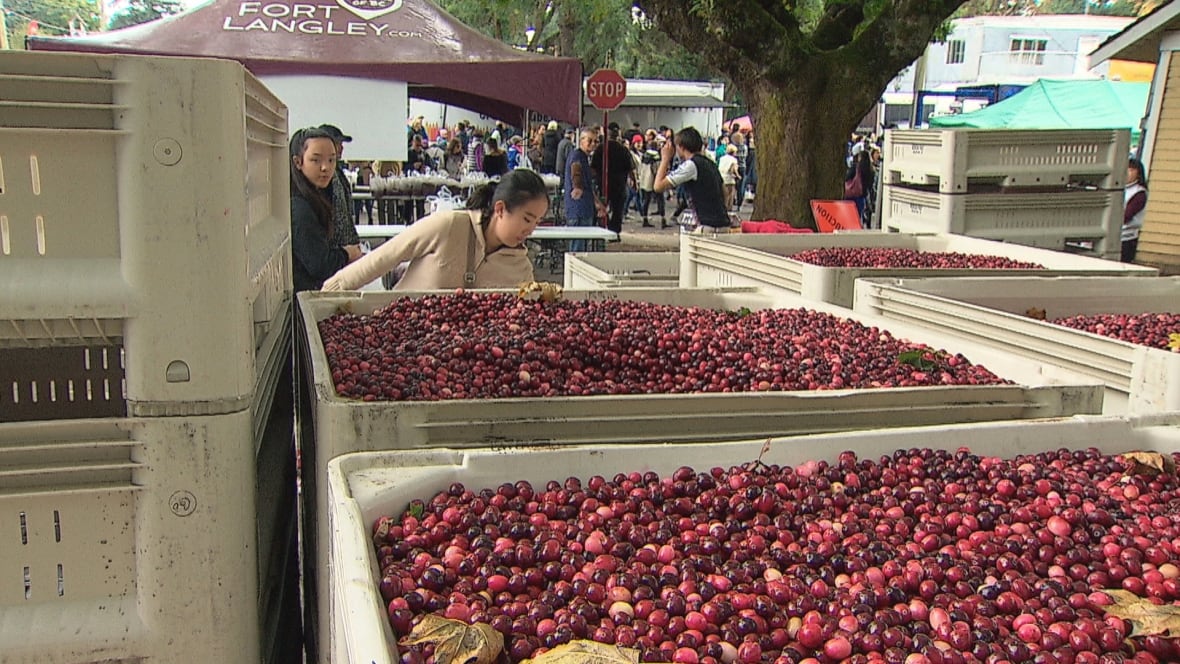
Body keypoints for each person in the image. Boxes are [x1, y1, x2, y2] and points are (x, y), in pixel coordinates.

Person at [322, 169, 545, 291]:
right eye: (527, 218)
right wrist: (330, 292)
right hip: (402, 334)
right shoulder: (449, 226)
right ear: (500, 209)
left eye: (537, 222)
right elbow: (386, 256)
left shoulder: (521, 268)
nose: (531, 229)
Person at [290, 127, 363, 292]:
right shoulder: (299, 207)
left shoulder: (317, 195)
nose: (325, 168)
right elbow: (319, 264)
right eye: (316, 160)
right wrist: (347, 254)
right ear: (297, 162)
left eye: (331, 160)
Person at [654, 126, 729, 230]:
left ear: (682, 147)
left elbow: (658, 186)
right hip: (721, 221)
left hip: (707, 224)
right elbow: (724, 191)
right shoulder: (710, 163)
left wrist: (665, 159)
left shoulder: (691, 165)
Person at [564, 127, 607, 250]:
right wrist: (577, 187)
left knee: (580, 245)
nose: (593, 144)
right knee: (578, 248)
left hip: (584, 208)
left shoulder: (583, 157)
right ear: (581, 140)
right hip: (578, 210)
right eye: (590, 140)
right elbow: (575, 170)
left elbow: (588, 185)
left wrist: (597, 203)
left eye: (596, 141)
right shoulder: (577, 156)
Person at [318, 124, 360, 248]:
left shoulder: (337, 171)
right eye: (337, 143)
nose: (341, 148)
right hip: (335, 248)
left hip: (344, 247)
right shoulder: (323, 175)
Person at [591, 124, 635, 235]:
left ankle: (603, 228)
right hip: (619, 184)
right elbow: (630, 168)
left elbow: (593, 168)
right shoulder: (623, 149)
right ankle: (614, 231)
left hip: (603, 183)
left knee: (602, 208)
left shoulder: (600, 149)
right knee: (617, 210)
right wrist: (633, 181)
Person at [638, 134, 666, 228]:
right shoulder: (657, 157)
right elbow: (657, 169)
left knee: (646, 200)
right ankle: (663, 219)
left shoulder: (644, 155)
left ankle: (644, 219)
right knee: (660, 199)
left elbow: (640, 168)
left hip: (645, 180)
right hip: (655, 180)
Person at [1123, 158, 1148, 263]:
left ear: (1138, 173)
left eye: (1131, 170)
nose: (1128, 172)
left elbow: (1126, 215)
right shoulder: (1119, 188)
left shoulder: (1139, 193)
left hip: (1126, 237)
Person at [845, 150, 875, 228]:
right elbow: (870, 184)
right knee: (858, 215)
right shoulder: (871, 170)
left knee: (849, 215)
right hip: (862, 196)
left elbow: (847, 177)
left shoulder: (856, 167)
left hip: (852, 195)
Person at [718, 144, 740, 211]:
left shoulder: (722, 158)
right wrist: (738, 176)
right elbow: (733, 170)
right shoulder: (734, 160)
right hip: (729, 179)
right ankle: (728, 211)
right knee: (730, 197)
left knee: (723, 197)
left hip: (721, 177)